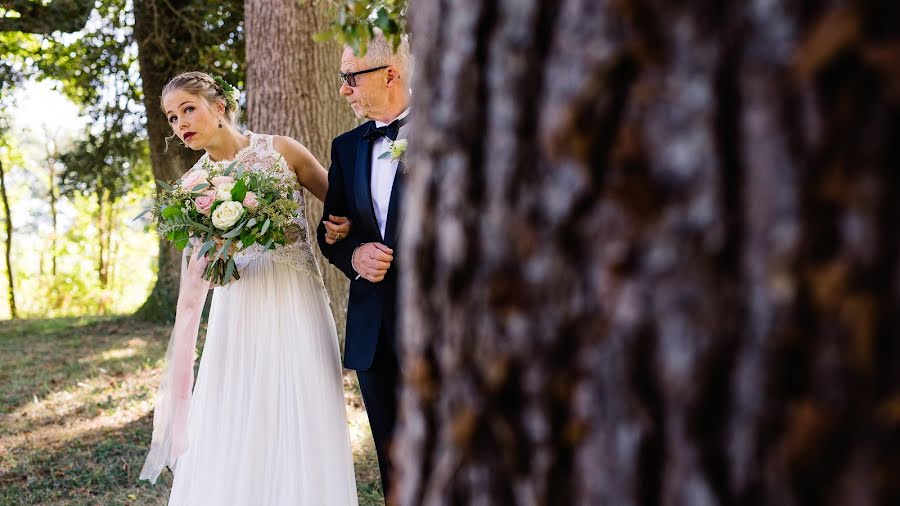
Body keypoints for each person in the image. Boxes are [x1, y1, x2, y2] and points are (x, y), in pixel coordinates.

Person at [141, 71, 358, 506]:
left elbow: (341, 206)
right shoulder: (192, 189)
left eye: (188, 108)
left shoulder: (282, 151)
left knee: (305, 400)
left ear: (218, 106)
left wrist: (345, 225)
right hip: (239, 303)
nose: (181, 122)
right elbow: (202, 269)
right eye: (171, 117)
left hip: (296, 294)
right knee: (241, 406)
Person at [317, 31, 413, 500]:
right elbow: (330, 231)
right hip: (374, 330)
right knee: (393, 457)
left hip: (444, 326)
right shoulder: (347, 147)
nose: (344, 90)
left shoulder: (454, 133)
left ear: (390, 75)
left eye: (351, 78)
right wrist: (352, 252)